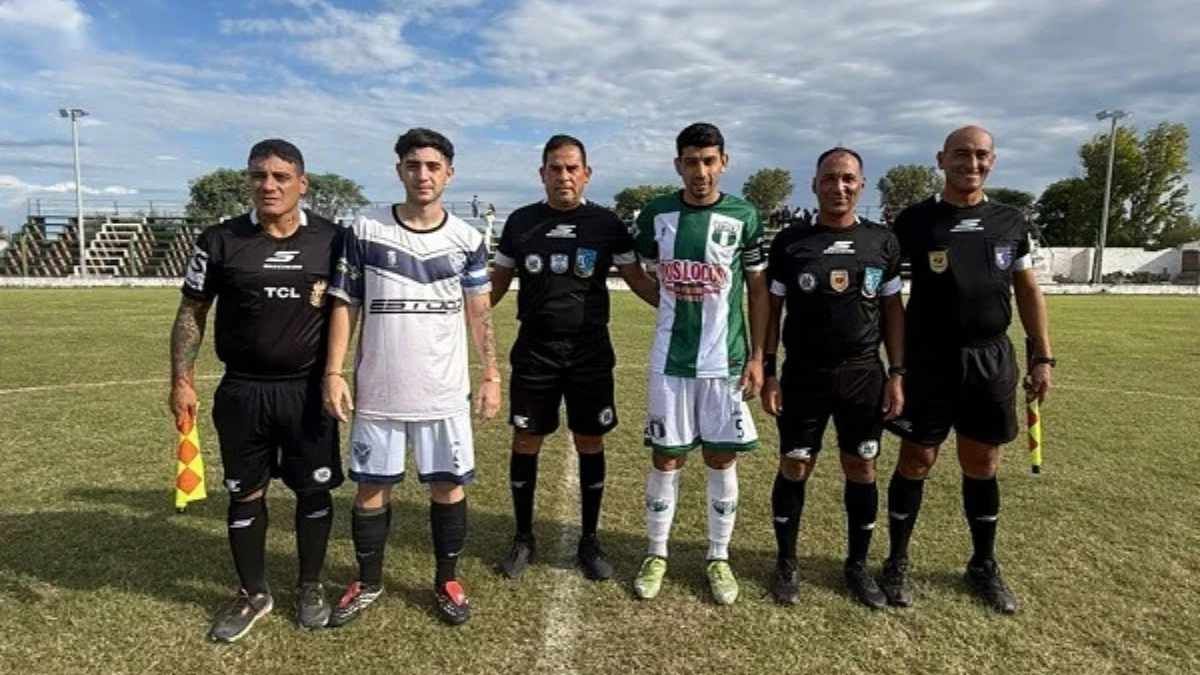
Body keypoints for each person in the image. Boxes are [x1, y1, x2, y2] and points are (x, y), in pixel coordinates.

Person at [322, 128, 501, 626]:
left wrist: (490, 372)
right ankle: (369, 580)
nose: (423, 174)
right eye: (413, 165)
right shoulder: (365, 229)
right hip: (379, 391)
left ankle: (446, 579)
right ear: (399, 169)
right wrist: (333, 371)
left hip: (443, 394)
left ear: (449, 173)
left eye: (433, 166)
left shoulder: (467, 239)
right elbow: (344, 303)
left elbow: (480, 312)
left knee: (448, 486)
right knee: (371, 489)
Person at [169, 138, 343, 642]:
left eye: (281, 177)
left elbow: (347, 311)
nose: (268, 186)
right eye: (259, 176)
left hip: (308, 393)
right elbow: (191, 312)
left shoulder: (332, 240)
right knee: (245, 493)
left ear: (302, 184)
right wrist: (181, 380)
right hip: (243, 391)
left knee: (314, 490)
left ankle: (310, 586)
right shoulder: (220, 240)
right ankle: (253, 594)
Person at [882, 126, 1054, 614]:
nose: (971, 163)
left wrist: (1041, 355)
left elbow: (1028, 290)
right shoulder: (914, 222)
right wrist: (893, 366)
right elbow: (888, 294)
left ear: (993, 161)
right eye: (961, 155)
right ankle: (895, 561)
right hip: (928, 360)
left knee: (982, 463)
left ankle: (982, 564)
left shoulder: (1010, 221)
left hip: (990, 358)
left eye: (981, 155)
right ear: (941, 159)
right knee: (917, 459)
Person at [490, 134, 658, 581]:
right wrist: (456, 314)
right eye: (554, 168)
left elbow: (638, 280)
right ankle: (523, 536)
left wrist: (685, 308)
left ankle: (590, 539)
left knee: (590, 440)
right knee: (526, 440)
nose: (563, 176)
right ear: (541, 173)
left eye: (571, 168)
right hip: (535, 351)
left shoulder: (607, 224)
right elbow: (498, 283)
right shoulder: (521, 223)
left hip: (589, 352)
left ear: (586, 173)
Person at [761, 147, 905, 608]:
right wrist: (767, 370)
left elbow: (892, 311)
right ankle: (786, 562)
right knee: (795, 464)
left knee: (861, 466)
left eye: (848, 179)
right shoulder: (790, 242)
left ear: (862, 184)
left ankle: (857, 566)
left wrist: (897, 372)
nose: (838, 187)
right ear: (815, 184)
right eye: (829, 179)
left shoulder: (882, 242)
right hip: (803, 373)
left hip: (863, 373)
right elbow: (773, 309)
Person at [631, 122, 768, 605]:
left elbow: (756, 288)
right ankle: (656, 552)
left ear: (724, 163)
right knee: (666, 456)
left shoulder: (744, 215)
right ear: (678, 165)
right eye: (691, 161)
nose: (701, 171)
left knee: (720, 456)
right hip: (670, 361)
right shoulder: (657, 213)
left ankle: (717, 556)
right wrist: (665, 301)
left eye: (710, 161)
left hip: (724, 362)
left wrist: (757, 357)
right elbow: (634, 264)